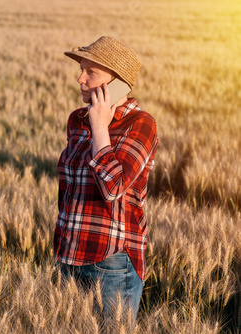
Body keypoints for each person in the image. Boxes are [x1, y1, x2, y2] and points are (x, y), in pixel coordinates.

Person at [54, 36, 158, 329]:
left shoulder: (140, 125)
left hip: (111, 261)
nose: (80, 78)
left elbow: (113, 188)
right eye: (81, 70)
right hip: (69, 254)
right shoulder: (77, 120)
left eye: (91, 73)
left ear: (118, 84)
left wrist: (101, 128)